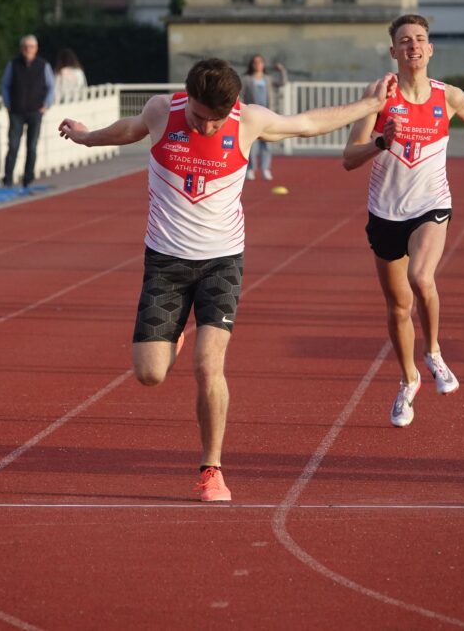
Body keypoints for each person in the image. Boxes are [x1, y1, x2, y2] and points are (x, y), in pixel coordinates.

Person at [59, 58, 396, 501]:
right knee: (149, 374)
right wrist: (86, 136)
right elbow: (129, 129)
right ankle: (172, 334)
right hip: (166, 262)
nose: (206, 127)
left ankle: (211, 469)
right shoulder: (163, 111)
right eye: (199, 117)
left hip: (222, 262)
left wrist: (369, 104)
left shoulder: (249, 121)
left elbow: (308, 123)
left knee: (208, 364)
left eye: (215, 120)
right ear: (188, 100)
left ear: (231, 107)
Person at [342, 13, 464, 429]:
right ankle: (408, 379)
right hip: (384, 214)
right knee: (397, 308)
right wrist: (381, 141)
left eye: (420, 39)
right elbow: (348, 159)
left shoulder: (448, 96)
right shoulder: (378, 98)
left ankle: (433, 354)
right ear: (393, 51)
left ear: (430, 50)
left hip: (430, 206)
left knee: (422, 279)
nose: (413, 45)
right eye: (405, 40)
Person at [1, 34, 55, 188]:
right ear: (21, 48)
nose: (28, 50)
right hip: (16, 111)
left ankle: (28, 178)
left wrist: (46, 105)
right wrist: (8, 103)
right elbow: (5, 85)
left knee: (32, 146)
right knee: (13, 145)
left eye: (31, 47)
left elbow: (51, 86)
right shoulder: (13, 64)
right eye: (25, 47)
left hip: (35, 111)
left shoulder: (43, 65)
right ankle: (8, 179)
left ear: (36, 49)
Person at [241, 54, 288, 181]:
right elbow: (241, 94)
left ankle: (265, 168)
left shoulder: (268, 78)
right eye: (255, 62)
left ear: (263, 64)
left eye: (260, 62)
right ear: (251, 64)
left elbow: (283, 83)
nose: (257, 64)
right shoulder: (247, 79)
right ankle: (251, 169)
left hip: (267, 114)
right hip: (252, 115)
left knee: (267, 144)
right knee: (252, 144)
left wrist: (281, 70)